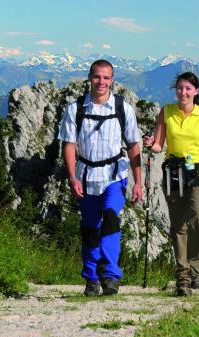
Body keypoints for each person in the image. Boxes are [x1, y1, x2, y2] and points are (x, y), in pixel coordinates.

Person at [58, 59, 142, 296]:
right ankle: (92, 278)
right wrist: (72, 177)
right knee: (90, 228)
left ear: (112, 80)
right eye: (97, 77)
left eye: (106, 78)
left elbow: (134, 145)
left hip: (115, 175)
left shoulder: (122, 108)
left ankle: (110, 275)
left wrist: (138, 182)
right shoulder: (76, 109)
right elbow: (69, 145)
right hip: (86, 177)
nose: (101, 82)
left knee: (111, 219)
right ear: (89, 78)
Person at [143, 71, 199, 296]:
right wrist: (151, 144)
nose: (183, 92)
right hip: (174, 171)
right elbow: (160, 145)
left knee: (197, 213)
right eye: (180, 88)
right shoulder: (166, 112)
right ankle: (183, 277)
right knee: (178, 224)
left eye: (188, 88)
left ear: (196, 91)